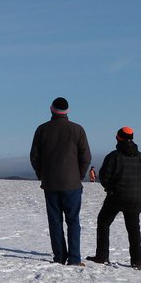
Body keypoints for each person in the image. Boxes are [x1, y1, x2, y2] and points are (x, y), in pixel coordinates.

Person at [30, 97, 92, 266]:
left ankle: (59, 257)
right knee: (73, 221)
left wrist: (42, 175)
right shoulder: (77, 130)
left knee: (55, 222)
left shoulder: (42, 130)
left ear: (51, 109)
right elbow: (85, 157)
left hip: (50, 184)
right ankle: (74, 258)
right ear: (67, 111)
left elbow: (34, 157)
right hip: (72, 184)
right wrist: (78, 175)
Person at [87, 127, 141, 269]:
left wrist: (110, 188)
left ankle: (102, 256)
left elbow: (104, 176)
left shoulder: (113, 156)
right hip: (135, 198)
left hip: (115, 197)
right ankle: (137, 260)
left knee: (103, 222)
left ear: (118, 138)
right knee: (134, 229)